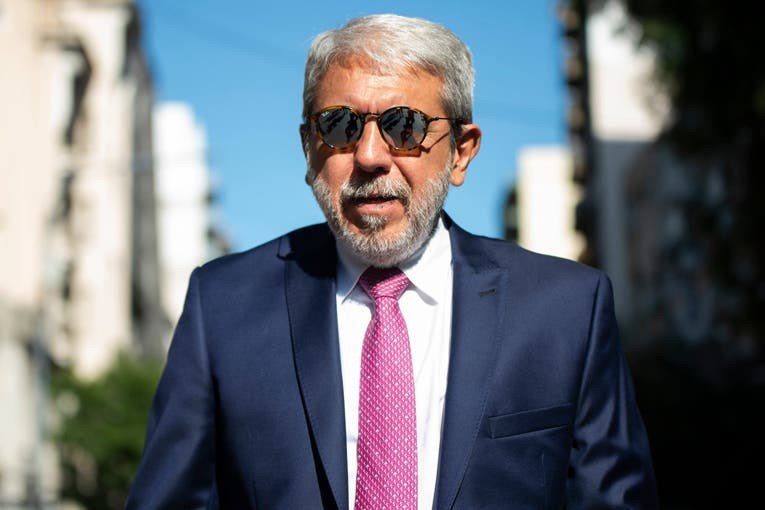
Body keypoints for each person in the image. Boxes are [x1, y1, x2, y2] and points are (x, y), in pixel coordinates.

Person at [126, 14, 658, 509]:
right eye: (340, 127)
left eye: (404, 127)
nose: (369, 156)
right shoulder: (224, 306)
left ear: (461, 152)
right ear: (309, 147)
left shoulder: (565, 310)